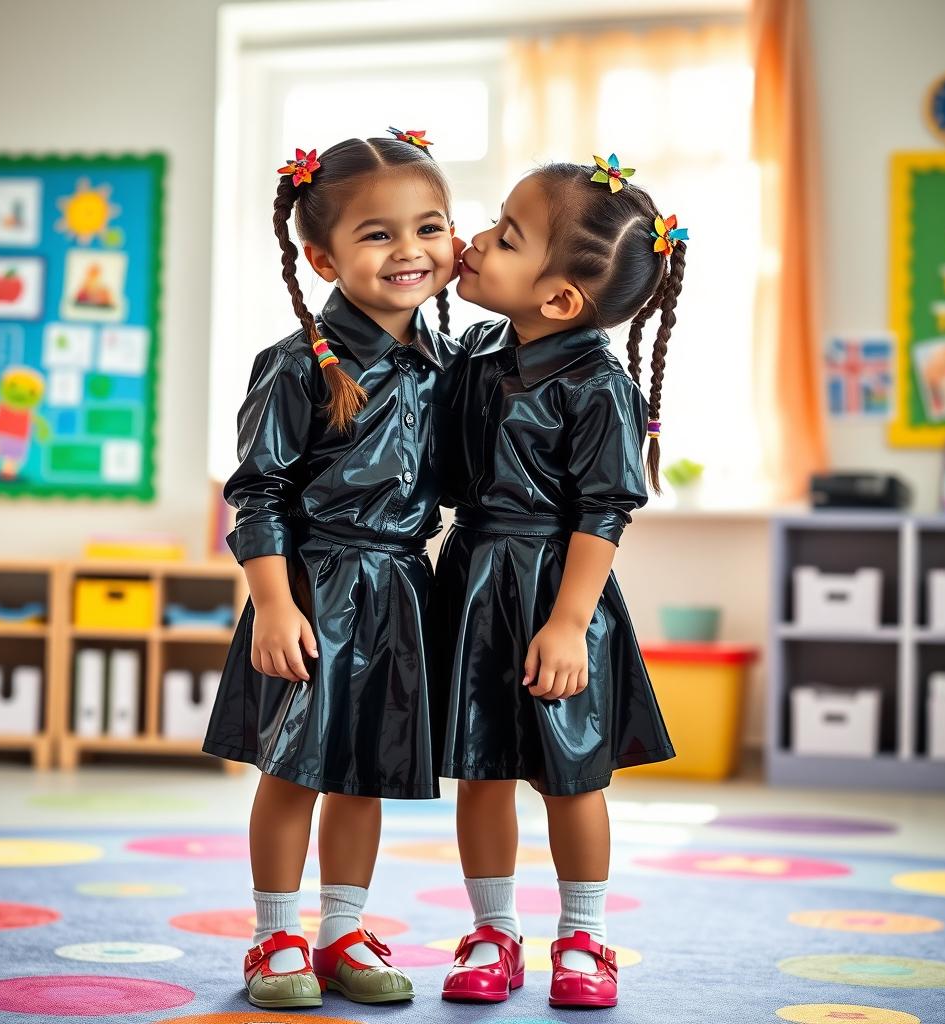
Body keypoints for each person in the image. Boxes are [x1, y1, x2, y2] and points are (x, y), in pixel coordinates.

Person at [203, 131, 462, 1009]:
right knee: (293, 769)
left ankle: (342, 926)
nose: (411, 252)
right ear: (322, 257)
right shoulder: (292, 366)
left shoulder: (453, 364)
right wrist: (272, 604)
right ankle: (273, 934)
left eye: (430, 228)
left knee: (368, 772)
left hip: (400, 592)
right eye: (378, 234)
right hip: (311, 592)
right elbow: (259, 494)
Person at [432, 155, 686, 1009]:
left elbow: (604, 510)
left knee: (572, 773)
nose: (474, 242)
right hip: (475, 580)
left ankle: (585, 937)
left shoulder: (596, 383)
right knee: (482, 767)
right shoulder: (474, 349)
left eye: (506, 238)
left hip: (557, 593)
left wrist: (572, 622)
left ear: (561, 300)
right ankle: (492, 930)